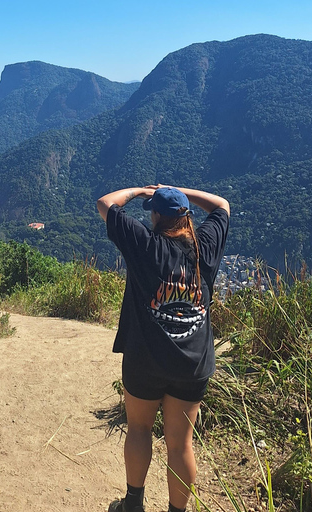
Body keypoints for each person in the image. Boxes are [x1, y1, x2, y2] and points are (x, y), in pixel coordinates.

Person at [96, 185, 230, 512]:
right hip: (192, 365)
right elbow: (222, 205)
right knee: (181, 443)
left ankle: (132, 505)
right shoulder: (206, 246)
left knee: (139, 429)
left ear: (155, 216)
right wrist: (180, 192)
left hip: (146, 360)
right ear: (187, 217)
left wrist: (144, 190)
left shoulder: (144, 245)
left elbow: (106, 203)